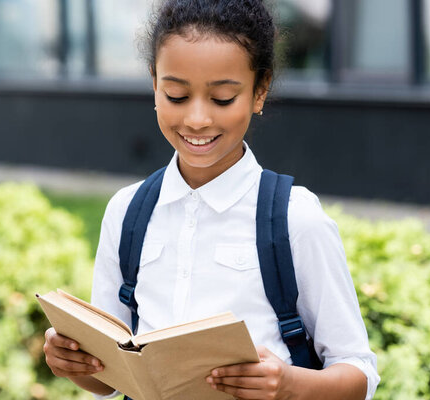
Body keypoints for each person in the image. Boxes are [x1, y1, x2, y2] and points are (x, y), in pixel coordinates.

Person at [44, 0, 380, 398]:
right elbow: (110, 378)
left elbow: (359, 374)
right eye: (176, 95)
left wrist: (289, 385)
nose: (197, 119)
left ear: (260, 91)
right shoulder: (127, 211)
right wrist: (75, 363)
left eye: (222, 98)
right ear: (154, 84)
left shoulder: (294, 218)